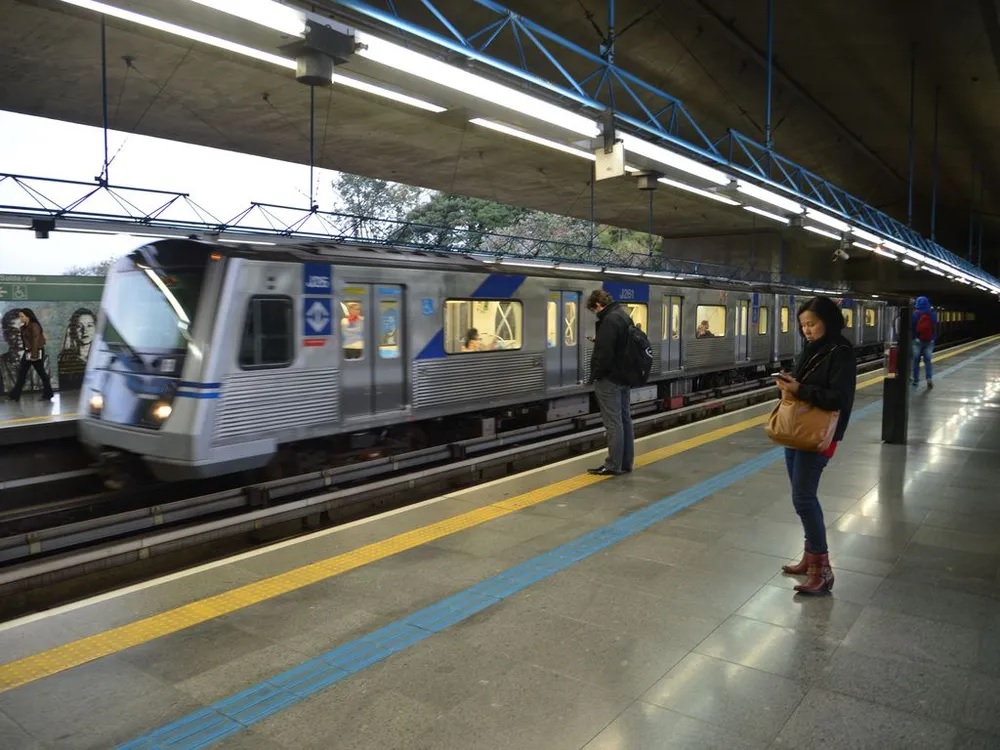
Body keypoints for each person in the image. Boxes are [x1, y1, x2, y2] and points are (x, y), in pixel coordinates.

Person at [774, 296, 856, 595]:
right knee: (803, 497)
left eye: (812, 324)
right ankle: (810, 558)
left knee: (803, 498)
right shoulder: (811, 349)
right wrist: (791, 383)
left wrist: (800, 389)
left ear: (829, 321)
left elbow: (839, 399)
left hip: (819, 435)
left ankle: (822, 570)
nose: (807, 330)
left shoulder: (841, 352)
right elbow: (807, 385)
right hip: (797, 431)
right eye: (803, 325)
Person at [585, 289, 634, 476]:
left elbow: (604, 355)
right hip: (624, 377)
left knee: (613, 423)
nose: (595, 313)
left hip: (610, 379)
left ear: (598, 305)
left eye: (594, 310)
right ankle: (625, 462)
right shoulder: (623, 316)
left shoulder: (609, 320)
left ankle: (613, 464)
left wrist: (595, 375)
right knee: (624, 420)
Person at [7, 308, 55, 402]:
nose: (21, 318)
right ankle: (14, 395)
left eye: (22, 316)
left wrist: (34, 355)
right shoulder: (25, 326)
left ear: (28, 316)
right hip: (28, 352)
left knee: (41, 373)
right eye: (20, 316)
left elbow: (36, 341)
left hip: (35, 352)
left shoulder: (34, 325)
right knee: (22, 373)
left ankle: (48, 394)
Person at [57, 307, 96, 392]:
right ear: (72, 330)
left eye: (89, 325)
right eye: (79, 326)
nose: (84, 330)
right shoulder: (65, 359)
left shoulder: (100, 357)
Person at [912, 295, 937, 390]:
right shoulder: (933, 314)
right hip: (929, 340)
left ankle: (915, 380)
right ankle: (929, 378)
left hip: (917, 340)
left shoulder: (915, 314)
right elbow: (934, 325)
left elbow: (912, 327)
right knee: (928, 361)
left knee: (916, 361)